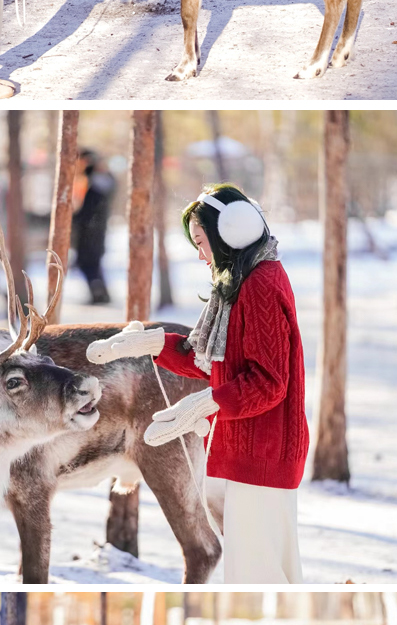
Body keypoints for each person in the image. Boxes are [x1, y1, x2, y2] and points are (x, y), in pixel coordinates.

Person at [86, 184, 308, 583]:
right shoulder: (240, 284)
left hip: (263, 456)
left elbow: (269, 383)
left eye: (202, 243)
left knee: (255, 578)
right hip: (245, 452)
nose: (200, 254)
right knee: (256, 573)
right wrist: (153, 342)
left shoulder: (260, 286)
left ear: (232, 233)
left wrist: (201, 405)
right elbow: (215, 363)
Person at [72, 149, 116, 304]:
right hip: (90, 231)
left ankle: (99, 294)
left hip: (92, 232)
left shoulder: (98, 185)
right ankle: (100, 294)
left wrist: (75, 219)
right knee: (90, 264)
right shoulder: (93, 182)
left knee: (90, 263)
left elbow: (88, 212)